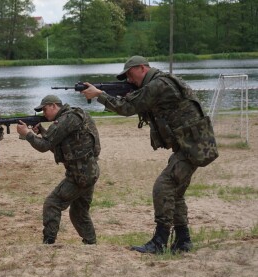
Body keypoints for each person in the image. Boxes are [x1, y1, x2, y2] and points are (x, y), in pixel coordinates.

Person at [81, 55, 218, 254]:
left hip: (193, 146)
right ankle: (183, 240)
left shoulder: (158, 85)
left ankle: (159, 242)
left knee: (163, 187)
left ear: (142, 68)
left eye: (130, 74)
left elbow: (127, 107)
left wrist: (99, 95)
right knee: (175, 192)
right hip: (191, 144)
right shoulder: (159, 82)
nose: (129, 79)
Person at [16, 95, 100, 245]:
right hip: (89, 171)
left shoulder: (65, 119)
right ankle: (91, 243)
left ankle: (49, 241)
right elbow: (62, 147)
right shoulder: (76, 114)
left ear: (54, 106)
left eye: (45, 109)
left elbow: (44, 146)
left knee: (52, 203)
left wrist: (27, 134)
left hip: (79, 175)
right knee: (79, 212)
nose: (43, 113)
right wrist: (42, 131)